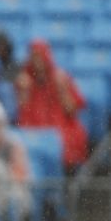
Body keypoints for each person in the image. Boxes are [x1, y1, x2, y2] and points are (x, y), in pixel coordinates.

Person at [16, 39, 87, 171]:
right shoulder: (25, 81)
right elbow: (21, 116)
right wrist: (23, 93)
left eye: (40, 55)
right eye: (33, 56)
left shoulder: (60, 78)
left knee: (67, 142)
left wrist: (63, 89)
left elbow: (72, 110)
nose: (37, 61)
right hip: (34, 130)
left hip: (59, 129)